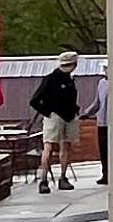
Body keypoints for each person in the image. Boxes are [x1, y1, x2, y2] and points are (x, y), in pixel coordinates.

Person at [28, 53, 86, 191]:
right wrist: (48, 112)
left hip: (70, 116)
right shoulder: (51, 79)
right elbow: (35, 100)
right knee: (48, 146)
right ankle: (43, 180)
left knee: (66, 147)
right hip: (54, 117)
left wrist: (75, 109)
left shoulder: (70, 80)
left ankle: (63, 177)